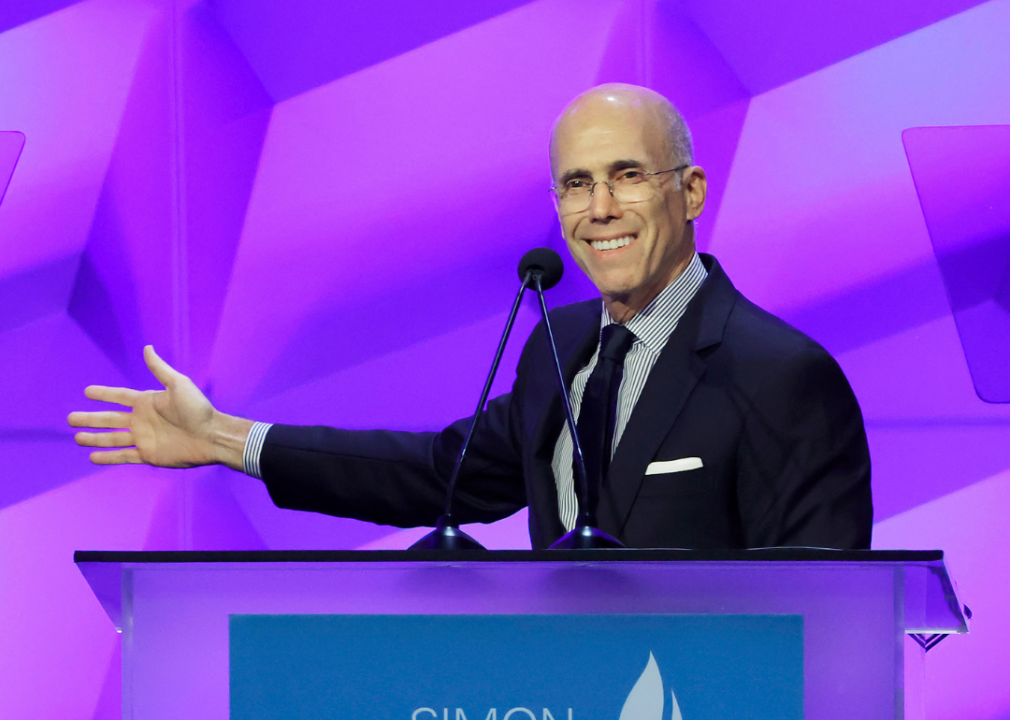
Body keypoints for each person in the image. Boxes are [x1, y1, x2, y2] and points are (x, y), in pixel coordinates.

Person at [69, 84, 873, 549]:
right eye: (575, 183)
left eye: (628, 175)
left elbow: (825, 608)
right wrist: (223, 439)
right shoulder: (559, 349)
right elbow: (437, 476)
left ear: (689, 191)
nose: (599, 208)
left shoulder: (778, 375)